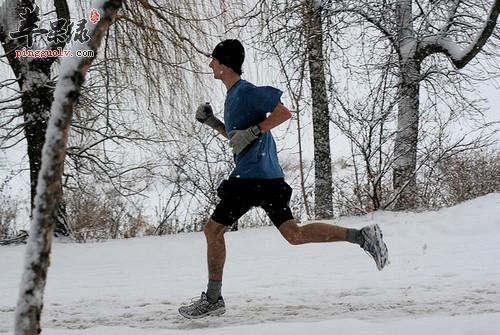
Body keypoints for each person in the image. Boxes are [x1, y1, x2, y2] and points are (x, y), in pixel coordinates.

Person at [178, 39, 389, 319]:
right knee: (294, 234)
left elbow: (283, 113)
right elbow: (237, 138)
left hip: (250, 177)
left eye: (213, 60)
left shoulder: (246, 91)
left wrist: (254, 131)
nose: (210, 64)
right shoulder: (232, 96)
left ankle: (214, 299)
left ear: (224, 64)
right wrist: (213, 122)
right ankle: (362, 237)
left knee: (213, 231)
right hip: (267, 177)